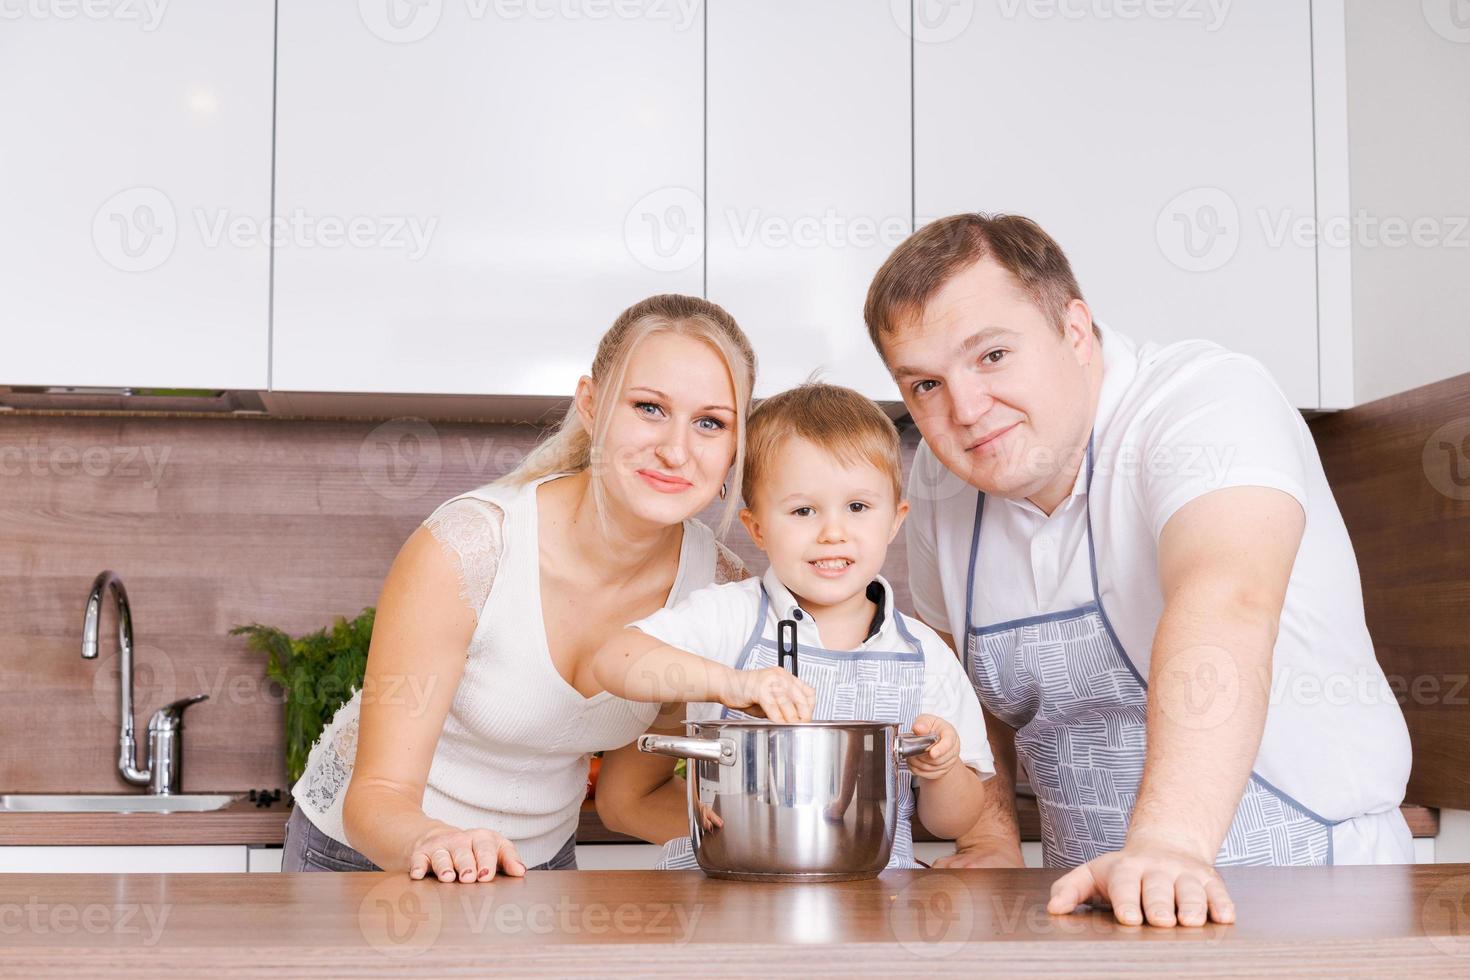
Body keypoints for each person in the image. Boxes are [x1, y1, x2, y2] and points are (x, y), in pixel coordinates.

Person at [863, 213, 1413, 927]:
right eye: (925, 385)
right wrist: (991, 830)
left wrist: (1169, 845)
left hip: (1320, 904)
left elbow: (1227, 599)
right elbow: (960, 687)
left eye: (992, 356)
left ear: (1075, 329)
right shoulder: (944, 483)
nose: (964, 410)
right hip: (1099, 917)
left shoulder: (1207, 401)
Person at [281, 294, 757, 881]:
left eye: (710, 422)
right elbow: (376, 794)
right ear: (591, 404)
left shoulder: (717, 593)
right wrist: (439, 841)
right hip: (368, 854)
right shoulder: (467, 550)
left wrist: (779, 835)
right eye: (649, 408)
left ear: (736, 445)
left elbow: (627, 801)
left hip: (538, 866)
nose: (677, 449)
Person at [592, 383, 995, 869]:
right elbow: (614, 660)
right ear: (757, 527)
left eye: (858, 507)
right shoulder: (731, 617)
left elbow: (956, 822)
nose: (832, 532)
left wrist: (944, 771)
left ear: (895, 520)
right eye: (803, 510)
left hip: (874, 906)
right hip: (730, 893)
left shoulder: (924, 655)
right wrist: (732, 684)